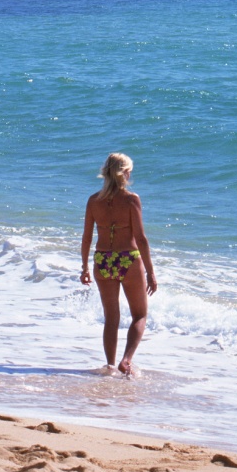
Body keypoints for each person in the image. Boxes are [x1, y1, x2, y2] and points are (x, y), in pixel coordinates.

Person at [80, 152, 157, 375]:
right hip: (128, 259)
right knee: (140, 315)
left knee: (111, 318)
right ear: (127, 173)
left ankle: (110, 366)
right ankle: (126, 360)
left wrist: (84, 266)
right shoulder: (132, 199)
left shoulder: (94, 201)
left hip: (102, 260)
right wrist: (151, 272)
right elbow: (141, 238)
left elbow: (86, 237)